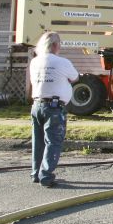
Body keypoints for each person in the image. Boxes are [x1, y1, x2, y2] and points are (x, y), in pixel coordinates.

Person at [29, 31, 79, 187]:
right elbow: (75, 78)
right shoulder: (62, 62)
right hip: (54, 107)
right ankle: (46, 175)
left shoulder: (35, 62)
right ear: (56, 45)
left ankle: (36, 173)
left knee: (38, 142)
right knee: (53, 142)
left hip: (37, 105)